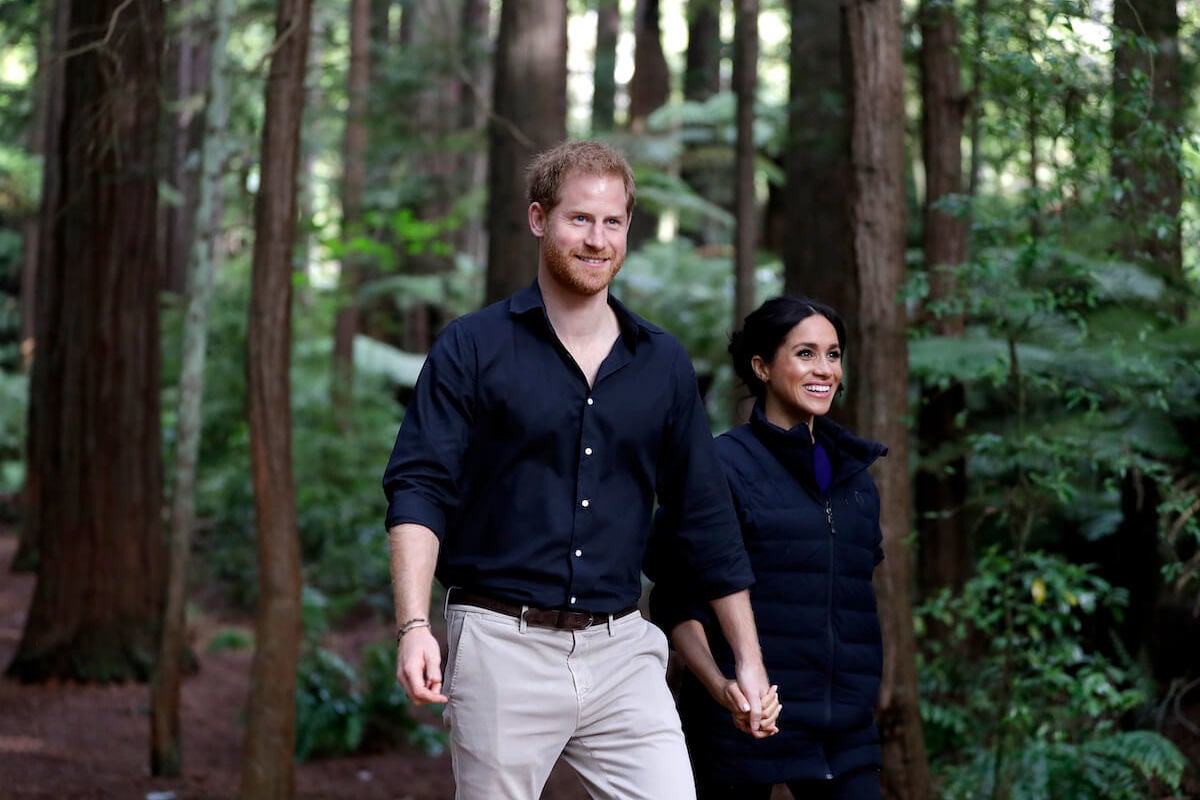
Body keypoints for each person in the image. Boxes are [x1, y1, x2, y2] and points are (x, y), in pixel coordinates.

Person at [381, 139, 774, 800]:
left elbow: (705, 518)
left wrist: (751, 661)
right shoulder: (472, 347)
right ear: (540, 220)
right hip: (501, 644)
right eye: (580, 219)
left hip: (623, 649)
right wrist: (415, 625)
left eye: (612, 222)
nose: (597, 239)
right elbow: (419, 487)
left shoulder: (662, 363)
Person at [650, 296, 887, 800]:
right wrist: (721, 690)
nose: (824, 369)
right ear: (761, 367)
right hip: (736, 728)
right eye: (805, 354)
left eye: (833, 354)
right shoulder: (718, 468)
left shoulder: (856, 479)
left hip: (843, 732)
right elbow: (675, 602)